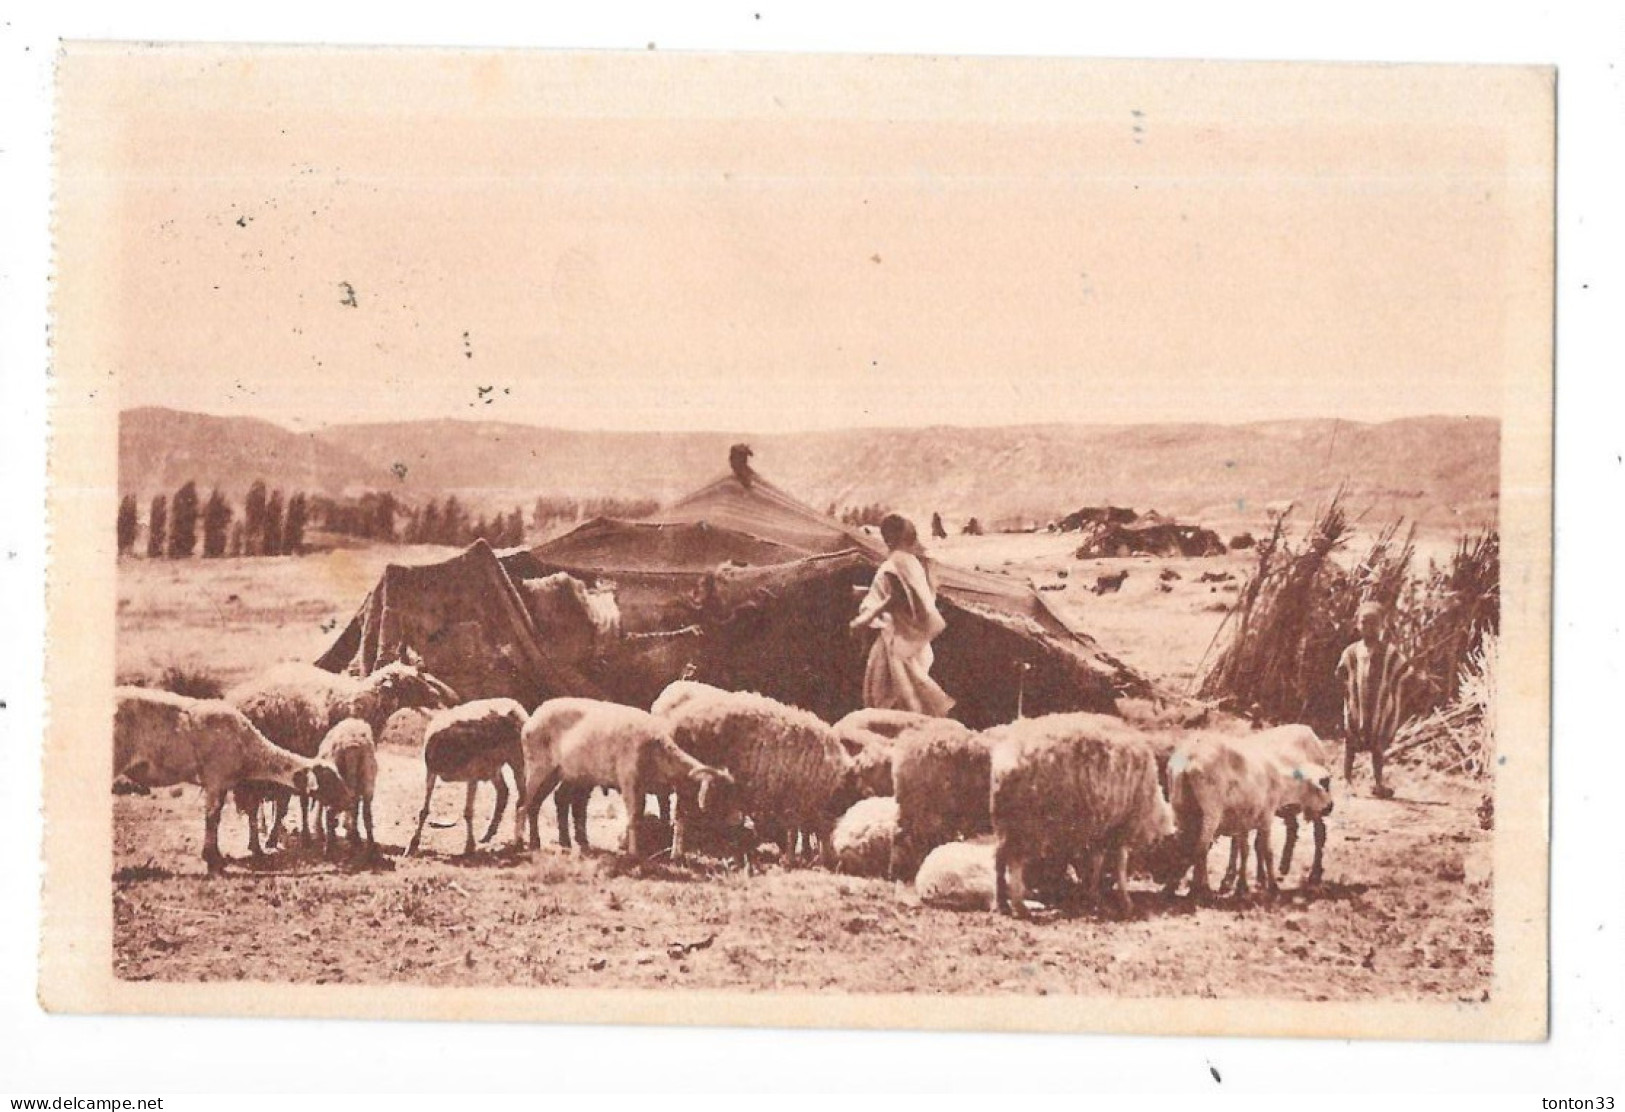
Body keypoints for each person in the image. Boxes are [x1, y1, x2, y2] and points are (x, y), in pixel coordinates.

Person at [849, 514, 955, 717]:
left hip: (896, 644)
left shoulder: (892, 566)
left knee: (888, 700)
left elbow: (887, 602)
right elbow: (919, 602)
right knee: (912, 700)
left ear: (888, 539)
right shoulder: (914, 564)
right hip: (915, 642)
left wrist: (870, 608)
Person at [1335, 600, 1411, 799]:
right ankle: (1347, 780)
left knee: (1377, 746)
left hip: (1378, 707)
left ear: (1382, 626)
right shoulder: (1351, 652)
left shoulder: (1389, 652)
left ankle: (1378, 783)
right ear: (1357, 625)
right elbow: (1341, 673)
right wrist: (1349, 694)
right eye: (1364, 622)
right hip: (1356, 705)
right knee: (1350, 743)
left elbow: (1403, 672)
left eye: (1374, 623)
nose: (1368, 627)